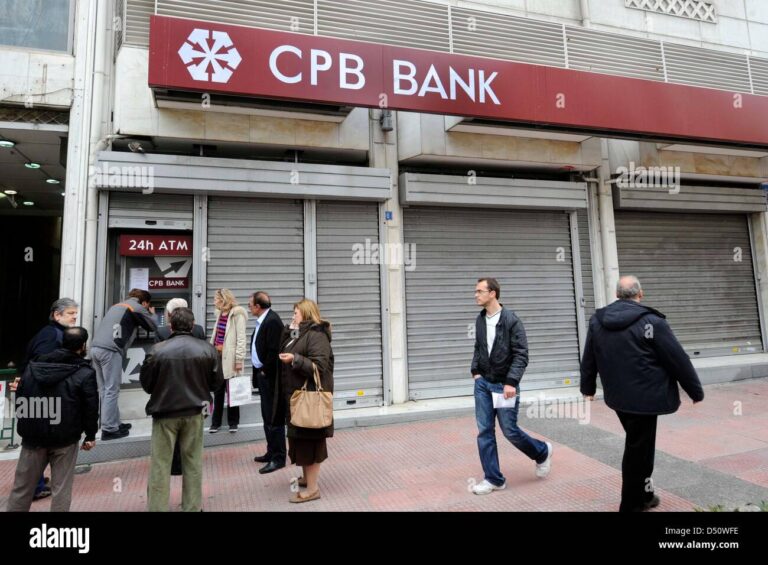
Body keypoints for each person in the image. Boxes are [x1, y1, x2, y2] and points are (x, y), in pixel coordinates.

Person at [581, 275, 704, 512]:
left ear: (617, 295)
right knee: (638, 450)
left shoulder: (598, 321)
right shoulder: (651, 322)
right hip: (646, 399)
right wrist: (695, 391)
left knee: (641, 445)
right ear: (640, 294)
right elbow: (677, 359)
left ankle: (646, 494)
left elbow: (589, 357)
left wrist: (588, 388)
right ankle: (630, 504)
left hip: (619, 398)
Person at [469, 277, 552, 495]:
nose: (475, 295)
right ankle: (494, 479)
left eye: (479, 291)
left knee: (510, 431)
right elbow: (479, 347)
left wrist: (511, 382)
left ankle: (542, 452)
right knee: (484, 431)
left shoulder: (511, 320)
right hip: (483, 385)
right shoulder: (479, 319)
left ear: (492, 293)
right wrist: (475, 371)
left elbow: (521, 355)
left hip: (503, 386)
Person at [6, 327, 99, 512]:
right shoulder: (84, 373)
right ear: (83, 346)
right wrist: (90, 435)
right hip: (65, 438)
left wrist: (28, 426)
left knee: (21, 489)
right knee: (61, 489)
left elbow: (21, 399)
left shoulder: (33, 368)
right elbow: (90, 407)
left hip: (33, 439)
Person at [140, 307, 223, 512]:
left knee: (160, 463)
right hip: (195, 412)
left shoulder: (157, 350)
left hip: (165, 412)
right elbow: (216, 383)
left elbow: (147, 384)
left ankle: (157, 508)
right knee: (193, 462)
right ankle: (192, 506)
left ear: (170, 326)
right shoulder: (207, 349)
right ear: (192, 325)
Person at [19, 297, 80, 501]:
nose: (74, 317)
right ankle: (34, 487)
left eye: (75, 313)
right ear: (57, 314)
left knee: (39, 442)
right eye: (71, 313)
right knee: (41, 442)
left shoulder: (51, 333)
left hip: (37, 398)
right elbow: (43, 368)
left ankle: (35, 483)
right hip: (41, 400)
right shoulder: (52, 337)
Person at [278, 298, 334, 503]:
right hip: (296, 398)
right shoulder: (301, 334)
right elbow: (283, 346)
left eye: (296, 313)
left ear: (306, 314)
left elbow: (319, 366)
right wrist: (289, 330)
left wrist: (295, 360)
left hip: (309, 400)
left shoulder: (317, 335)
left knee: (310, 442)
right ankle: (306, 478)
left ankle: (313, 489)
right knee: (299, 440)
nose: (293, 317)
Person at [91, 289, 158, 440]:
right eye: (148, 306)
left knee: (104, 390)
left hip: (95, 349)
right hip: (110, 350)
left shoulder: (116, 306)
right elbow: (153, 325)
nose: (147, 308)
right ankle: (109, 429)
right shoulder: (136, 307)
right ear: (145, 302)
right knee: (111, 390)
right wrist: (152, 313)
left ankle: (114, 422)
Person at [154, 298, 207, 476]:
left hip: (168, 396)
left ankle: (174, 466)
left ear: (169, 316)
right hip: (195, 395)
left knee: (168, 440)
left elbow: (150, 374)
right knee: (192, 439)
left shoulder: (161, 333)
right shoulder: (199, 330)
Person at [248, 291, 286, 473]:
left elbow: (274, 352)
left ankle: (278, 458)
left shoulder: (272, 321)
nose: (249, 308)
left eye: (250, 305)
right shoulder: (264, 320)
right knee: (266, 416)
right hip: (262, 377)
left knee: (273, 417)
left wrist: (264, 371)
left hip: (270, 378)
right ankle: (271, 452)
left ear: (257, 306)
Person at [208, 289, 248, 433]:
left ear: (223, 299)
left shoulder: (237, 314)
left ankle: (233, 422)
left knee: (233, 390)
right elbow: (216, 335)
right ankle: (215, 423)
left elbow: (241, 339)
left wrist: (239, 359)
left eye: (215, 298)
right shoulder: (219, 314)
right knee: (218, 390)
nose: (213, 301)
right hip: (218, 356)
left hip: (231, 358)